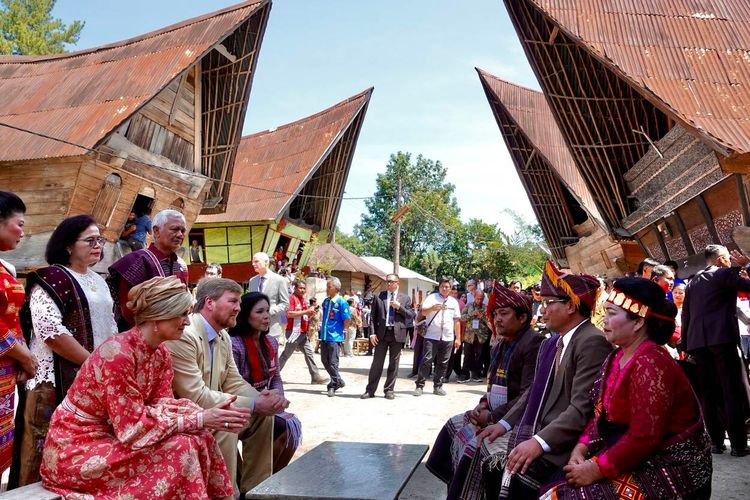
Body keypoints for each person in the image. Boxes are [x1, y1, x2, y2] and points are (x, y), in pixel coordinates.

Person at [39, 276, 245, 498]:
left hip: (115, 435)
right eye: (182, 314)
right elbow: (132, 430)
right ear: (158, 318)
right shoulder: (117, 354)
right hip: (76, 447)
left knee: (199, 437)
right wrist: (199, 418)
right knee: (181, 447)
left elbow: (162, 405)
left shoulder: (160, 353)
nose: (187, 321)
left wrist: (201, 416)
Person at [541, 278, 712, 499]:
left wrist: (596, 469)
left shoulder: (651, 362)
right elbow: (599, 414)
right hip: (633, 454)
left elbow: (644, 437)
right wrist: (581, 448)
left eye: (612, 314)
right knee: (552, 486)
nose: (604, 320)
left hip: (671, 465)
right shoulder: (615, 357)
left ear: (638, 322)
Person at [477, 260, 611, 500]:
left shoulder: (591, 341)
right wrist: (504, 424)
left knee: (497, 465)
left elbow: (581, 409)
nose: (543, 310)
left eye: (549, 303)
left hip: (563, 444)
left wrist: (538, 442)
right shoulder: (553, 342)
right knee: (478, 446)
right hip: (542, 430)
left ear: (570, 305)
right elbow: (533, 392)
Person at [11, 215, 118, 487]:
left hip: (93, 379)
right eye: (90, 240)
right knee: (40, 449)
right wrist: (94, 363)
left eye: (100, 240)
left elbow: (110, 327)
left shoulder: (99, 280)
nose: (97, 245)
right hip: (52, 382)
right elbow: (50, 331)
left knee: (82, 449)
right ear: (69, 245)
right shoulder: (51, 276)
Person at [166, 278, 287, 494]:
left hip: (213, 409)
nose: (238, 308)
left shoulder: (222, 335)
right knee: (228, 424)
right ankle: (227, 495)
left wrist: (263, 401)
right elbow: (196, 396)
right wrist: (254, 403)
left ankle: (257, 492)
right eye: (233, 301)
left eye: (239, 302)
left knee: (263, 417)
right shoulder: (186, 335)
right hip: (188, 415)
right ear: (210, 302)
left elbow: (233, 381)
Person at [426, 283, 543, 499]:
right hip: (492, 412)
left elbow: (529, 394)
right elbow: (492, 385)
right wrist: (482, 405)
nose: (497, 319)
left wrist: (494, 417)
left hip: (516, 419)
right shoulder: (500, 344)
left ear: (523, 318)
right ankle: (454, 487)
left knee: (477, 447)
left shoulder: (534, 343)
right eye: (496, 313)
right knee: (454, 425)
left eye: (504, 314)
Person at [681, 244, 750, 456]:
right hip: (721, 338)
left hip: (697, 342)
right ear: (721, 259)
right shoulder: (723, 274)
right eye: (728, 258)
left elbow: (686, 314)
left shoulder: (693, 282)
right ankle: (738, 445)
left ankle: (716, 443)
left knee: (709, 394)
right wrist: (746, 264)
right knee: (731, 390)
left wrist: (686, 344)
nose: (730, 261)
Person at [230, 292, 301, 473]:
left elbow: (276, 377)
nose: (267, 316)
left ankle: (270, 479)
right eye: (259, 312)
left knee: (291, 426)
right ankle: (245, 480)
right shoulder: (234, 344)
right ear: (245, 315)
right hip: (242, 405)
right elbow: (233, 383)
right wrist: (262, 400)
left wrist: (279, 400)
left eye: (268, 311)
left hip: (266, 401)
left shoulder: (271, 342)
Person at [0, 192, 36, 476]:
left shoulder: (6, 268)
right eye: (19, 224)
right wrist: (24, 355)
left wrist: (23, 358)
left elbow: (13, 318)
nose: (23, 232)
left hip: (6, 368)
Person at [108, 209, 189, 331]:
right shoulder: (135, 261)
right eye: (174, 229)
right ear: (156, 231)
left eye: (183, 231)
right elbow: (127, 310)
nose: (180, 235)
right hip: (141, 336)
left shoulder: (181, 265)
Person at [361, 273, 415, 400]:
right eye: (387, 281)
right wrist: (372, 333)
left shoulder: (405, 298)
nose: (388, 283)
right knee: (377, 363)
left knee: (394, 364)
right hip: (381, 334)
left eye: (391, 281)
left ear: (398, 282)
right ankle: (370, 390)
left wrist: (399, 307)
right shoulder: (379, 296)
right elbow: (373, 317)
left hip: (397, 334)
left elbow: (410, 315)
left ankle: (389, 390)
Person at [415, 278, 461, 397]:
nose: (444, 289)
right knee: (426, 360)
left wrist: (458, 338)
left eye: (447, 287)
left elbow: (457, 321)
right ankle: (420, 385)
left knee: (443, 362)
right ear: (439, 287)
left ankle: (438, 386)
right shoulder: (432, 298)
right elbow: (423, 313)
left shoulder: (453, 302)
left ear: (450, 289)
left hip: (448, 337)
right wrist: (432, 308)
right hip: (431, 336)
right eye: (442, 286)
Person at [279, 280, 328, 384]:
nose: (302, 290)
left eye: (304, 288)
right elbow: (288, 314)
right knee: (286, 355)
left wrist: (310, 313)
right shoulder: (291, 299)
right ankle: (273, 376)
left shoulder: (303, 300)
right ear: (295, 288)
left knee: (309, 353)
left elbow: (304, 316)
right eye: (300, 288)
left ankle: (315, 377)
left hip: (302, 332)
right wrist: (306, 311)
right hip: (294, 332)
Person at [248, 252, 289, 345]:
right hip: (255, 329)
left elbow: (285, 303)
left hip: (272, 329)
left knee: (271, 358)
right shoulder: (252, 281)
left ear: (266, 262)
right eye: (252, 262)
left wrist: (269, 311)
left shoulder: (279, 280)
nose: (253, 264)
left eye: (256, 261)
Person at [319, 277, 350, 397]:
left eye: (329, 287)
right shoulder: (326, 301)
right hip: (325, 335)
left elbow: (346, 318)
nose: (327, 289)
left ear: (336, 289)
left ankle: (333, 385)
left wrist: (345, 330)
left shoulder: (342, 302)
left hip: (335, 336)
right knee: (324, 360)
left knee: (333, 362)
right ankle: (339, 380)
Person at [458, 290, 491, 383]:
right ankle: (465, 374)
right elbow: (461, 317)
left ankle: (476, 374)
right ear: (474, 297)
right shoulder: (468, 306)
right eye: (477, 298)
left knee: (479, 356)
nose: (479, 300)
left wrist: (482, 316)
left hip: (481, 336)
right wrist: (471, 314)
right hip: (469, 335)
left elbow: (490, 321)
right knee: (467, 355)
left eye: (481, 299)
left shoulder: (486, 307)